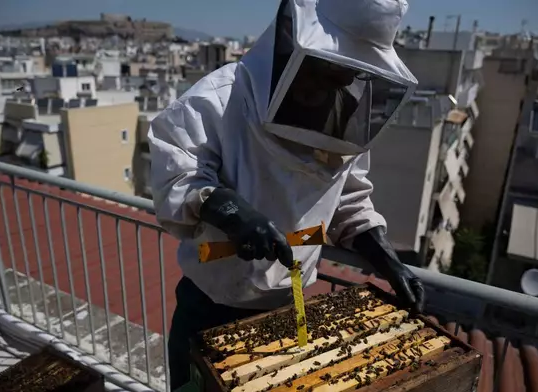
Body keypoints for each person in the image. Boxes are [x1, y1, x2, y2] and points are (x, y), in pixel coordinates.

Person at [148, 0, 426, 389]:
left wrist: (385, 258)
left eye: (348, 73)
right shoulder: (218, 98)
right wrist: (234, 213)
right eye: (330, 66)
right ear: (294, 42)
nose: (339, 81)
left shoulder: (347, 118)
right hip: (210, 305)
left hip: (290, 303)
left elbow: (348, 200)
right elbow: (177, 176)